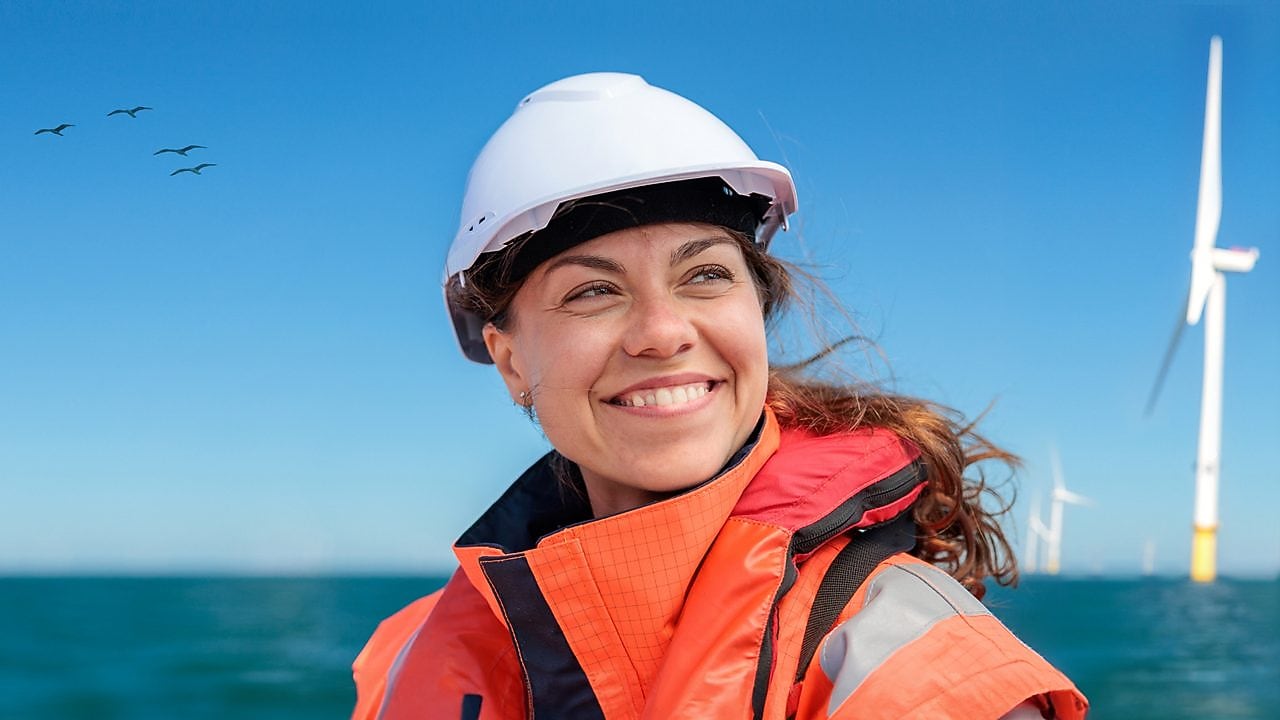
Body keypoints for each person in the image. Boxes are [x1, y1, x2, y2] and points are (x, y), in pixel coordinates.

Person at [350, 72, 1088, 720]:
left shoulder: (899, 659)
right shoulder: (408, 651)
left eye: (704, 275)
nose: (662, 332)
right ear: (509, 361)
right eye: (594, 290)